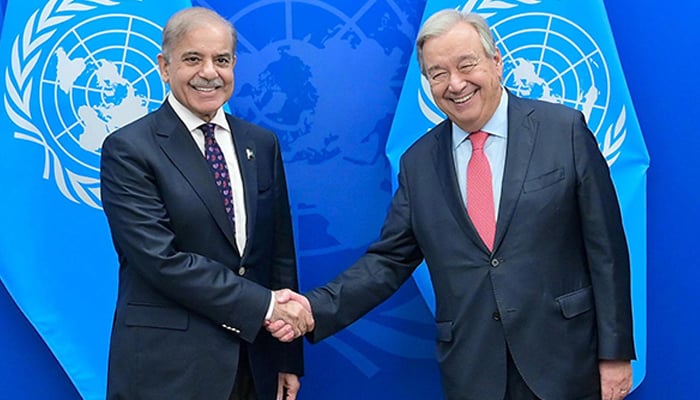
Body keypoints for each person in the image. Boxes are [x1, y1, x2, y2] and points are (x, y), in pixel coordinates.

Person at [269, 9, 635, 400]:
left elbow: (607, 251)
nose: (455, 84)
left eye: (466, 65)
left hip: (566, 363)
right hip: (475, 372)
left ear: (495, 63)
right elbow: (388, 262)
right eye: (438, 73)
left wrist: (615, 355)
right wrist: (312, 308)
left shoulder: (565, 131)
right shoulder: (419, 163)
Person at [100, 7, 312, 400]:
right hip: (168, 371)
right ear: (165, 67)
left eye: (222, 60)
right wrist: (266, 306)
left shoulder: (260, 144)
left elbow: (278, 254)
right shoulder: (129, 150)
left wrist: (287, 354)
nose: (209, 72)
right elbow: (161, 260)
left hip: (254, 363)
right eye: (193, 59)